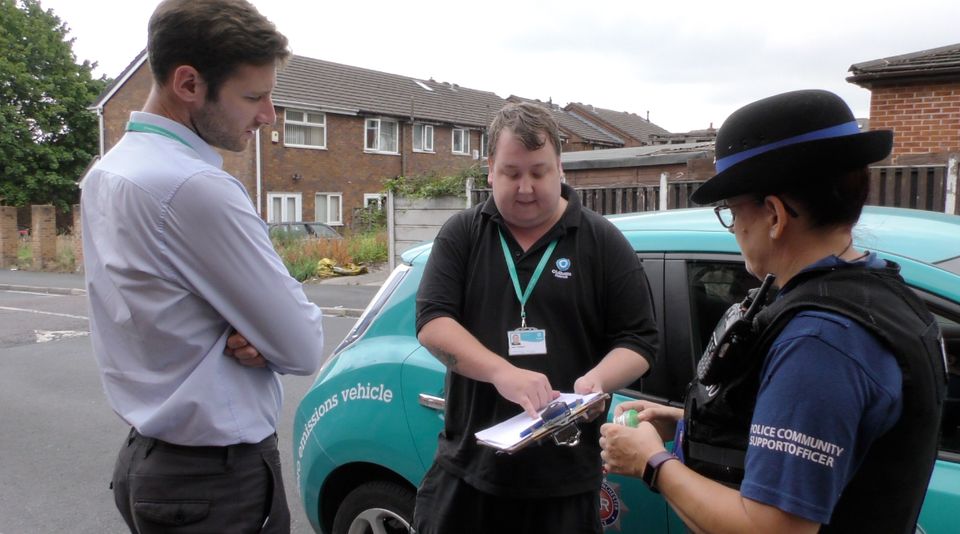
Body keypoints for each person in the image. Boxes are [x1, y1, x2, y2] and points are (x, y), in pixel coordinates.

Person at [599, 89, 948, 533]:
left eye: (731, 211)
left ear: (775, 215)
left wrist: (650, 462)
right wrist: (692, 426)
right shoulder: (880, 293)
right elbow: (838, 434)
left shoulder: (820, 342)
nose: (734, 228)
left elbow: (774, 528)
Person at [80, 1, 324, 531]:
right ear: (188, 84)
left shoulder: (108, 172)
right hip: (214, 483)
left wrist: (253, 332)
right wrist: (263, 333)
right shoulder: (196, 188)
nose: (268, 116)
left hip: (149, 465)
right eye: (253, 96)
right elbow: (303, 345)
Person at [413, 102, 659, 534]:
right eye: (511, 173)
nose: (525, 187)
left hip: (564, 488)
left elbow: (639, 341)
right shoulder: (463, 235)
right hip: (468, 477)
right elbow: (433, 323)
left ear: (560, 168)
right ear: (489, 169)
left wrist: (596, 381)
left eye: (538, 172)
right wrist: (501, 372)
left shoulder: (602, 242)